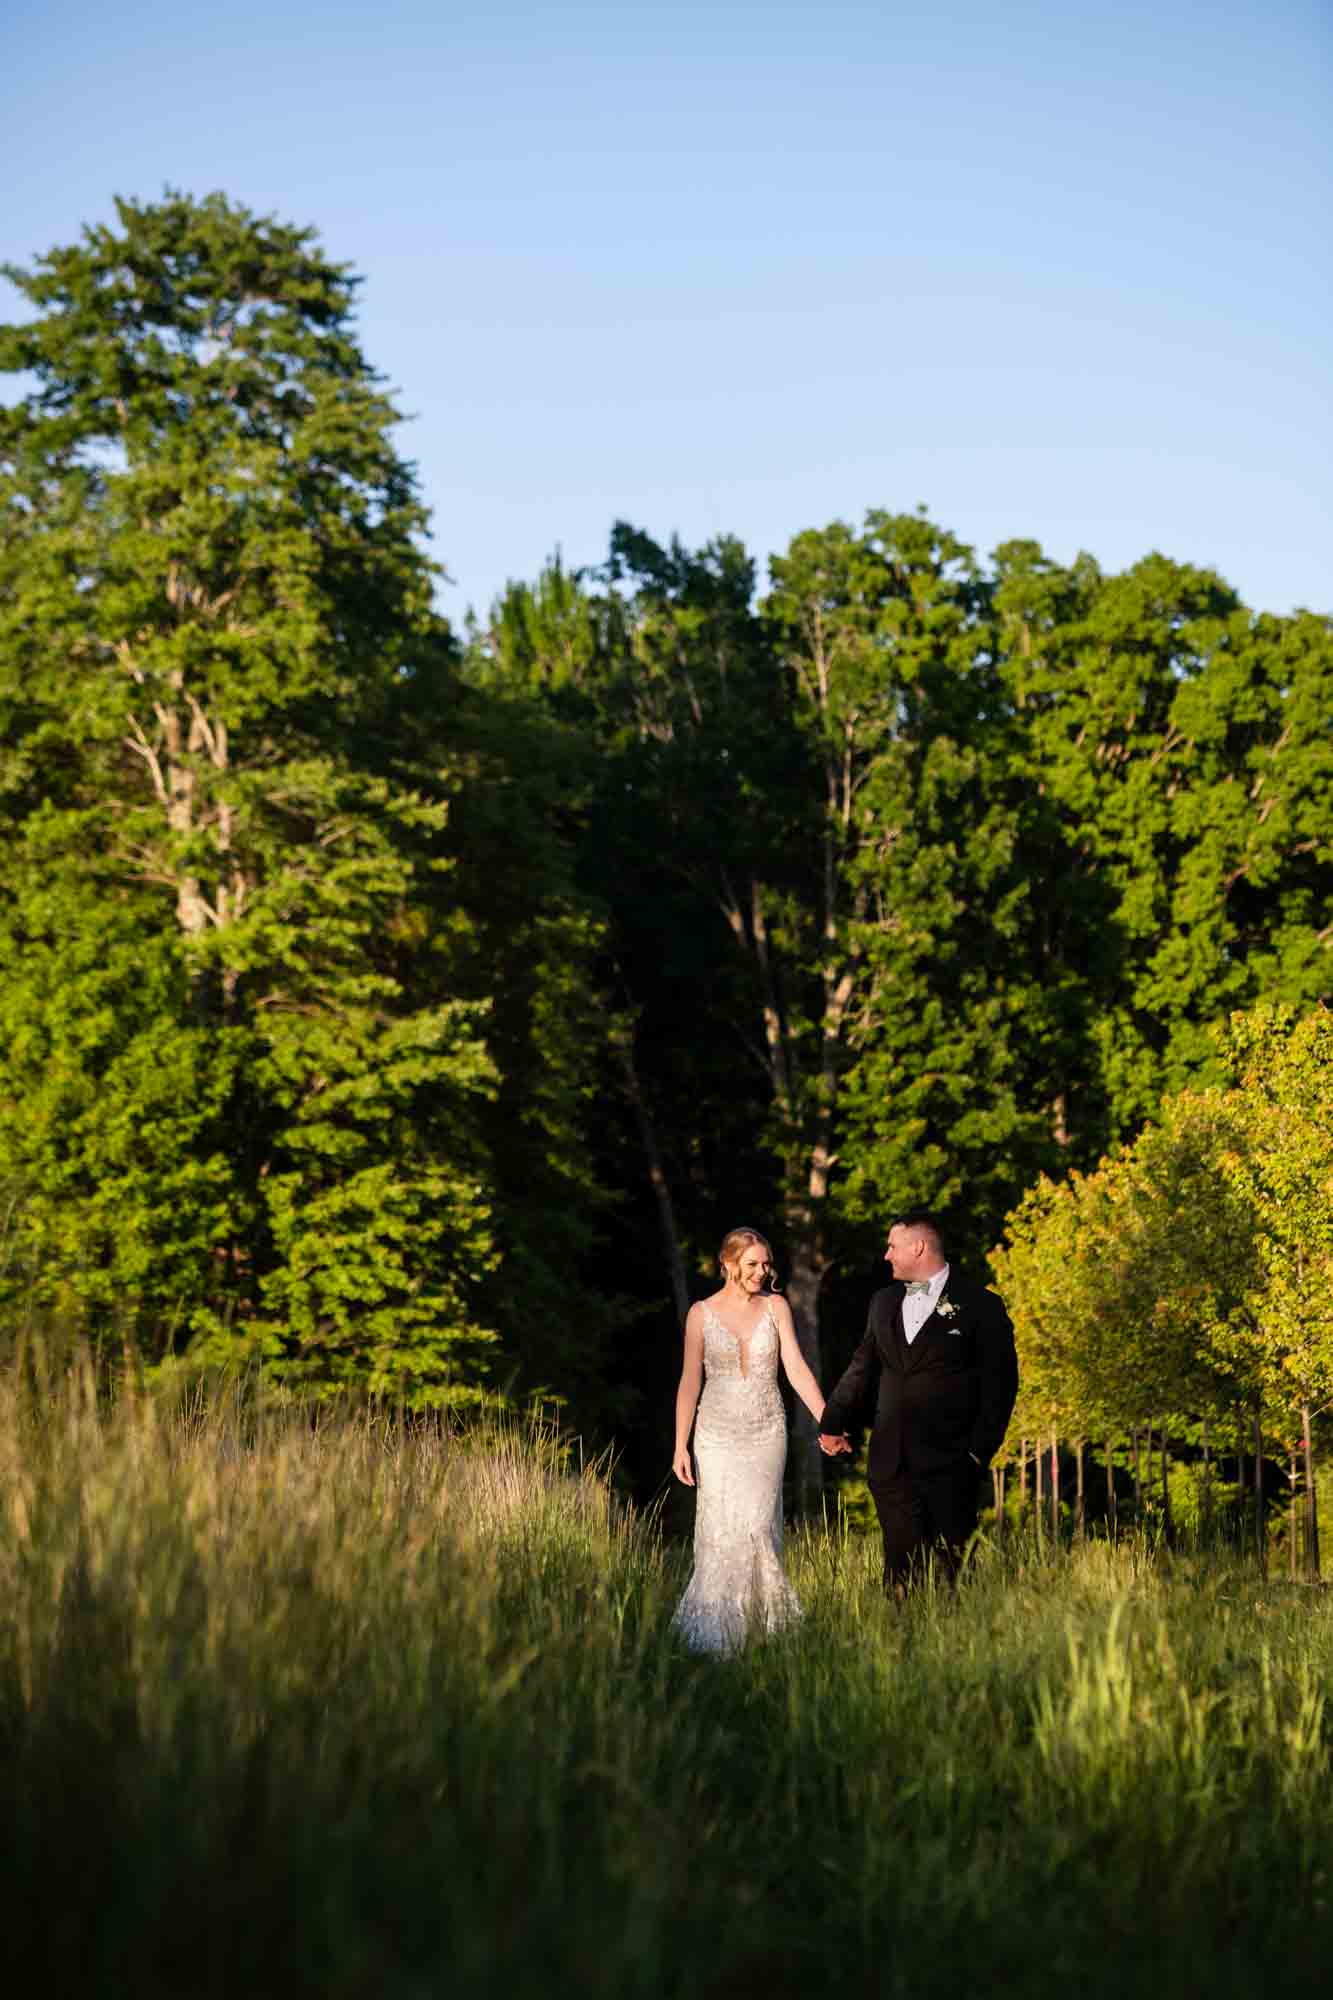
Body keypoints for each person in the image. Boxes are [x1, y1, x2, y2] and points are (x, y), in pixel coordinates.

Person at [818, 1211, 1018, 1595]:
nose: (886, 1255)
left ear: (918, 1246)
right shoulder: (883, 1301)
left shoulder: (980, 1305)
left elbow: (1001, 1386)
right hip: (890, 1460)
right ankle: (898, 1645)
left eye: (892, 1246)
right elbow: (861, 1368)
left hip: (953, 1461)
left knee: (952, 1572)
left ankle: (952, 1647)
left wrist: (979, 1453)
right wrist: (831, 1423)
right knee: (899, 1570)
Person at [671, 1227, 829, 1654]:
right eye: (753, 1264)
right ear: (728, 1265)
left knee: (758, 1527)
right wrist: (679, 1444)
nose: (762, 1271)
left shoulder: (776, 1307)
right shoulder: (701, 1314)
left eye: (765, 1264)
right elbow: (689, 1381)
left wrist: (826, 1421)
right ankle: (716, 1637)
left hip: (765, 1431)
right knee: (721, 1530)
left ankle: (764, 1633)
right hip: (715, 1436)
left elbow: (794, 1367)